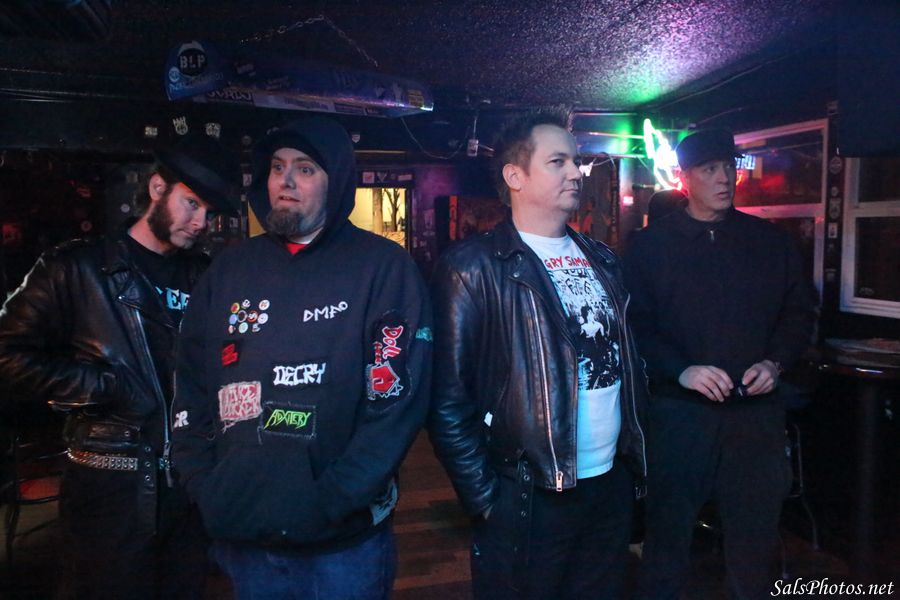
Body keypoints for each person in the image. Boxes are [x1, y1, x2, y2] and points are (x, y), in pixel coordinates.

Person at [170, 116, 432, 600]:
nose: (285, 181)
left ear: (337, 182)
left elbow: (397, 402)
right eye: (277, 167)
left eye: (305, 169)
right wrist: (205, 485)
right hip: (243, 529)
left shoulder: (382, 267)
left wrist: (334, 499)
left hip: (342, 541)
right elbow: (191, 382)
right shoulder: (229, 269)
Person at [0, 132, 240, 599]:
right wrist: (103, 386)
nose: (200, 223)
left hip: (189, 484)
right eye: (192, 204)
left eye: (210, 213)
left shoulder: (204, 275)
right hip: (111, 483)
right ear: (157, 188)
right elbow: (6, 352)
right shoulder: (78, 268)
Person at [428, 109, 648, 600]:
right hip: (527, 491)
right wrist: (485, 499)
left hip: (609, 484)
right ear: (515, 176)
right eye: (557, 161)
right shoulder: (472, 267)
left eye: (575, 160)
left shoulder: (603, 258)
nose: (576, 172)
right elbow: (447, 401)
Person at [624, 128, 817, 600]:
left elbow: (799, 312)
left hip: (755, 414)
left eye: (729, 167)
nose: (723, 178)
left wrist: (775, 362)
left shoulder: (768, 241)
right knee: (668, 534)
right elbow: (634, 326)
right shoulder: (650, 247)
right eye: (709, 169)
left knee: (754, 536)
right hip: (679, 414)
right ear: (685, 178)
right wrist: (681, 369)